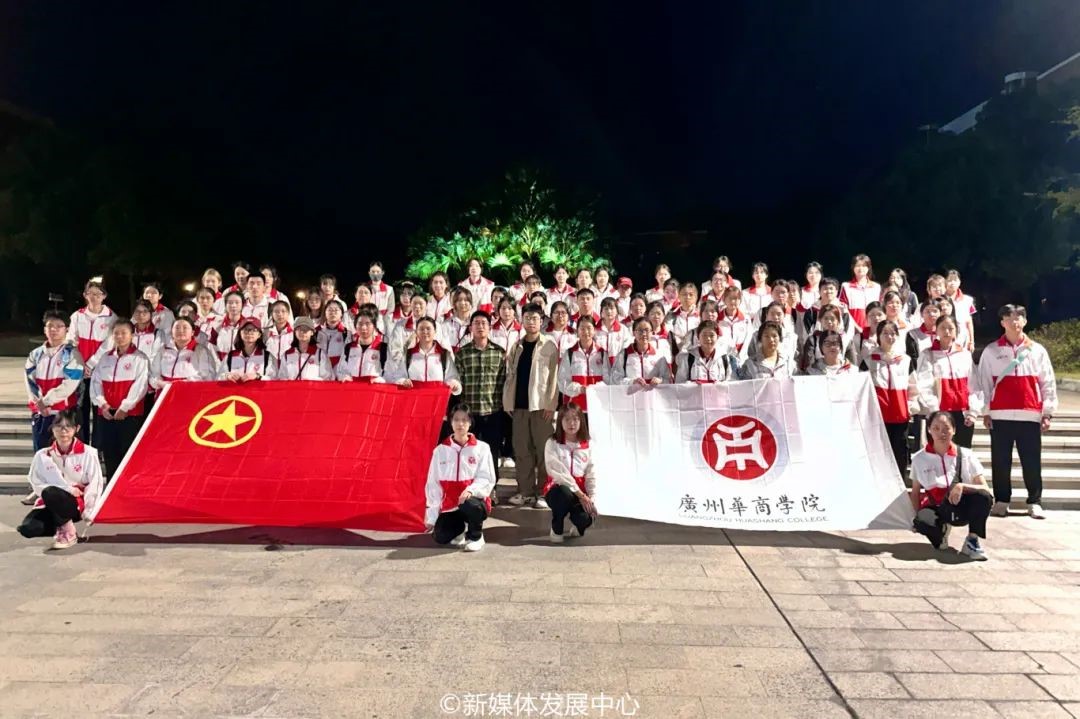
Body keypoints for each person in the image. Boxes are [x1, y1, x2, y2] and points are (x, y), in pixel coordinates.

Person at [975, 304, 1057, 519]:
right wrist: (986, 411)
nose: (1014, 321)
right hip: (1000, 414)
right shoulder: (991, 351)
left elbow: (1047, 382)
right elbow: (984, 382)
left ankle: (1034, 501)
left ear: (1025, 321)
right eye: (1009, 317)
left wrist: (1047, 412)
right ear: (1002, 322)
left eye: (1019, 317)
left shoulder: (1037, 350)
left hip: (1030, 413)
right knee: (1000, 461)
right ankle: (1002, 500)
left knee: (1031, 460)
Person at [909, 410, 993, 559]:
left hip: (961, 505)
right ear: (929, 430)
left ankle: (972, 540)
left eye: (946, 428)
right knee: (923, 521)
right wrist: (914, 518)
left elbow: (986, 489)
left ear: (954, 430)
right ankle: (941, 532)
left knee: (984, 497)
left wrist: (962, 486)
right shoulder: (919, 458)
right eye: (936, 428)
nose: (941, 433)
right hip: (938, 508)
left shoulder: (966, 454)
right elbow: (915, 492)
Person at [17, 409, 105, 550]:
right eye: (59, 426)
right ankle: (62, 525)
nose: (63, 431)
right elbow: (36, 482)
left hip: (75, 504)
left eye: (68, 426)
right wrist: (68, 489)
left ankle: (69, 533)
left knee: (51, 492)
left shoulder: (88, 453)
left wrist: (90, 510)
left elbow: (95, 482)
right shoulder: (43, 455)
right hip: (51, 501)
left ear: (76, 429)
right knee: (28, 528)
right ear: (52, 429)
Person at [502, 304, 560, 508]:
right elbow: (510, 375)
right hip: (519, 406)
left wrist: (551, 405)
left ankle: (544, 492)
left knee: (544, 450)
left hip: (541, 407)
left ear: (542, 321)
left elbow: (554, 378)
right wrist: (507, 401)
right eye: (527, 318)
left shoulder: (549, 346)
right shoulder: (516, 346)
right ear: (522, 320)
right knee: (522, 450)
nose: (531, 322)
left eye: (535, 318)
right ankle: (525, 491)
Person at [424, 405, 495, 552]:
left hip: (473, 501)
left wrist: (471, 490)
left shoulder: (482, 448)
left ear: (470, 423)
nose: (460, 424)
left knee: (470, 504)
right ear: (450, 422)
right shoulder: (440, 451)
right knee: (441, 536)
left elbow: (487, 478)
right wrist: (432, 516)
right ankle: (459, 529)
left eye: (464, 420)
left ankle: (476, 536)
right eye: (456, 419)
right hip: (451, 506)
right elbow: (433, 484)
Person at [90, 319, 150, 479]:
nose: (120, 336)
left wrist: (125, 407)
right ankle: (111, 486)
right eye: (116, 333)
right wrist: (102, 404)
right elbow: (96, 383)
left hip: (130, 415)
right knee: (110, 454)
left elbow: (141, 385)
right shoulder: (105, 358)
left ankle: (127, 488)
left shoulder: (140, 358)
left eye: (124, 333)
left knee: (128, 455)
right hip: (107, 414)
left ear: (132, 335)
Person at [454, 312, 508, 488]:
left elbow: (503, 382)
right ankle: (468, 487)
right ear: (470, 328)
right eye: (476, 323)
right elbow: (458, 383)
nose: (480, 326)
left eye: (484, 323)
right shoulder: (462, 353)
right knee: (469, 452)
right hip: (470, 414)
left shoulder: (499, 353)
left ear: (490, 327)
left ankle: (491, 489)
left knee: (491, 452)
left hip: (493, 412)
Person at [863, 320, 920, 478]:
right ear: (878, 336)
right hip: (878, 416)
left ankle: (899, 483)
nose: (889, 337)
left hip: (900, 414)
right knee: (878, 452)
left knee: (899, 450)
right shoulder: (869, 360)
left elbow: (913, 386)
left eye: (893, 333)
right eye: (885, 333)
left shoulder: (905, 360)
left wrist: (910, 406)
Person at [917, 315, 980, 449]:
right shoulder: (928, 354)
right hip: (939, 411)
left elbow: (974, 385)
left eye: (951, 328)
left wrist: (973, 411)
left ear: (956, 331)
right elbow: (924, 385)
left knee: (963, 452)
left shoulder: (964, 354)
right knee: (939, 451)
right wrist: (934, 410)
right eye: (943, 328)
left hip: (963, 413)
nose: (947, 331)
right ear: (936, 330)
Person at [26, 311, 85, 455]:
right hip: (41, 414)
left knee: (67, 456)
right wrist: (40, 403)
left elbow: (70, 384)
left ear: (67, 329)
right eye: (50, 326)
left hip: (64, 414)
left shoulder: (72, 354)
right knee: (42, 455)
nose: (54, 329)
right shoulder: (35, 354)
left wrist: (47, 401)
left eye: (59, 326)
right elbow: (30, 382)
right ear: (44, 329)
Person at [68, 279, 116, 442]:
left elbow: (108, 344)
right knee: (80, 408)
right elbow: (71, 341)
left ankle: (97, 447)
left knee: (99, 409)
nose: (94, 297)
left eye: (98, 294)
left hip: (100, 370)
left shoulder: (111, 317)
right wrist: (81, 365)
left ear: (104, 296)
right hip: (80, 370)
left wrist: (91, 364)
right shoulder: (77, 316)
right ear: (85, 295)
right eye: (91, 294)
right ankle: (80, 444)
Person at [543, 403, 598, 542]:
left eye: (575, 419)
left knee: (585, 517)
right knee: (563, 493)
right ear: (560, 421)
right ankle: (557, 527)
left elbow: (592, 473)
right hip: (559, 488)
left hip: (581, 493)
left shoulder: (588, 445)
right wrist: (580, 495)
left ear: (581, 421)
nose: (571, 423)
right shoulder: (552, 443)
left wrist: (591, 499)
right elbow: (558, 473)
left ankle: (578, 525)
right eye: (566, 419)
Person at [384, 317, 463, 394]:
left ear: (435, 331)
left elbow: (452, 377)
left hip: (437, 398)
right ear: (416, 332)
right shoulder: (409, 354)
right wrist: (403, 381)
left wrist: (454, 384)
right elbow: (399, 376)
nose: (425, 331)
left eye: (428, 329)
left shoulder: (444, 354)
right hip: (414, 398)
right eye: (421, 329)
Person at [149, 317, 219, 388]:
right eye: (177, 328)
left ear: (192, 332)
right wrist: (160, 383)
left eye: (185, 328)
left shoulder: (201, 351)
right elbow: (153, 373)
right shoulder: (163, 349)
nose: (181, 331)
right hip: (164, 390)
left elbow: (207, 377)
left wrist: (180, 385)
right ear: (171, 332)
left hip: (189, 390)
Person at [558, 316, 608, 410]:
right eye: (582, 328)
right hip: (574, 408)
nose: (586, 332)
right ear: (577, 331)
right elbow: (562, 381)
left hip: (598, 406)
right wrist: (579, 389)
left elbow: (608, 380)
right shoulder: (570, 353)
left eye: (589, 328)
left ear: (594, 331)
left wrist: (597, 388)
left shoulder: (601, 353)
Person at [611, 317, 672, 385]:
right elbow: (616, 378)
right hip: (631, 391)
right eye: (640, 330)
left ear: (652, 332)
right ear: (634, 333)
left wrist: (660, 381)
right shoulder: (623, 354)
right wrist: (632, 382)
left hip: (653, 392)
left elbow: (668, 379)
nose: (644, 334)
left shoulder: (659, 355)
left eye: (647, 330)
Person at [337, 312, 389, 383]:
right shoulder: (348, 347)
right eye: (360, 324)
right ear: (355, 326)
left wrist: (382, 379)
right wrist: (344, 376)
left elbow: (390, 372)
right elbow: (340, 370)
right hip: (352, 388)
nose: (363, 327)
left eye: (367, 324)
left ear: (374, 326)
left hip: (374, 388)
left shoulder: (383, 348)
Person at [838, 253, 881, 336]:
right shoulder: (846, 286)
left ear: (868, 268)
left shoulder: (876, 287)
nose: (861, 268)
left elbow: (880, 310)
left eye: (864, 266)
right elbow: (843, 310)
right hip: (852, 332)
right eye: (857, 265)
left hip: (873, 332)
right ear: (853, 267)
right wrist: (856, 328)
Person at [717, 286, 753, 360]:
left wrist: (741, 356)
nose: (733, 301)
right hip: (722, 358)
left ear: (740, 300)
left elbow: (748, 339)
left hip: (742, 358)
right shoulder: (717, 319)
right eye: (730, 298)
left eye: (736, 298)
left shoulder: (746, 319)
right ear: (724, 299)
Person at [389, 294, 430, 359]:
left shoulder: (435, 326)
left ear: (426, 304)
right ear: (410, 305)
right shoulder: (400, 326)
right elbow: (395, 350)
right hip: (406, 362)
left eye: (420, 303)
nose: (417, 306)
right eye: (414, 303)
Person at [664, 282, 701, 353]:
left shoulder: (701, 316)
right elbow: (667, 335)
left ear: (696, 297)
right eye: (684, 294)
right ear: (679, 297)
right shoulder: (671, 316)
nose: (687, 297)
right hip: (676, 354)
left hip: (696, 355)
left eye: (691, 295)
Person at [945, 269, 977, 352]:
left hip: (963, 339)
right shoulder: (940, 299)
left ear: (959, 282)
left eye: (955, 280)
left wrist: (971, 341)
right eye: (949, 280)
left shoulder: (967, 300)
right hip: (944, 336)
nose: (952, 283)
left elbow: (969, 322)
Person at [438, 287, 474, 352]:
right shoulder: (446, 324)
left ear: (470, 303)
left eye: (466, 300)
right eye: (459, 300)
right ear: (455, 304)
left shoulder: (475, 323)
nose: (463, 303)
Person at [317, 301, 351, 368]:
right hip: (320, 368)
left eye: (336, 310)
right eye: (330, 310)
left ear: (341, 313)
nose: (333, 312)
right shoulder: (317, 332)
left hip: (339, 369)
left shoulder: (346, 333)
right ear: (325, 313)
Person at [213, 291, 245, 361]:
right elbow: (212, 349)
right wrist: (220, 365)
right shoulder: (216, 325)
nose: (233, 305)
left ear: (243, 304)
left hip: (242, 364)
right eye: (230, 303)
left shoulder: (247, 325)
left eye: (237, 302)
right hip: (221, 364)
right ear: (225, 305)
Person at [265, 300, 294, 367]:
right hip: (270, 371)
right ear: (272, 314)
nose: (280, 314)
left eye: (283, 311)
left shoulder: (293, 332)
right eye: (276, 311)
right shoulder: (266, 332)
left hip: (288, 371)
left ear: (288, 314)